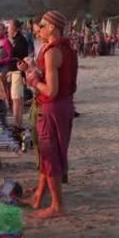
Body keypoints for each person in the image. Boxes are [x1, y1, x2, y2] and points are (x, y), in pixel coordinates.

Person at [18, 11, 77, 219]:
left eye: (42, 25)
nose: (39, 29)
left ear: (52, 26)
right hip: (64, 106)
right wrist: (34, 70)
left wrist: (33, 81)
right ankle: (39, 196)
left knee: (50, 154)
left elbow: (51, 90)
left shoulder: (52, 52)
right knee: (48, 154)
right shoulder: (67, 48)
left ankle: (56, 205)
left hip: (52, 107)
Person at [7, 19, 29, 128]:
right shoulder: (18, 40)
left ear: (14, 29)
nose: (8, 30)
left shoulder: (20, 41)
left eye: (9, 28)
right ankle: (18, 122)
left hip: (17, 72)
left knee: (16, 99)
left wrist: (23, 73)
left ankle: (17, 123)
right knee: (18, 99)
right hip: (16, 72)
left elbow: (22, 58)